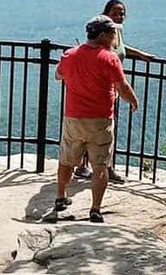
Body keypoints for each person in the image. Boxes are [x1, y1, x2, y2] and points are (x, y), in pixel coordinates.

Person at [53, 15, 139, 222]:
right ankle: (95, 209)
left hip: (73, 117)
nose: (115, 36)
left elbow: (58, 75)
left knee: (67, 160)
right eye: (112, 32)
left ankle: (60, 196)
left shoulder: (70, 55)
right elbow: (122, 86)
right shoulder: (109, 58)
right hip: (100, 119)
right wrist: (134, 101)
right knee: (100, 165)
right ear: (102, 35)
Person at [74, 0, 155, 184]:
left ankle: (85, 166)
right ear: (106, 14)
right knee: (102, 130)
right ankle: (103, 168)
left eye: (122, 13)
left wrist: (141, 54)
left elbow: (121, 49)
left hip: (111, 90)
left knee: (97, 129)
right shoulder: (104, 35)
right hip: (102, 90)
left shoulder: (115, 33)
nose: (119, 16)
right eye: (115, 13)